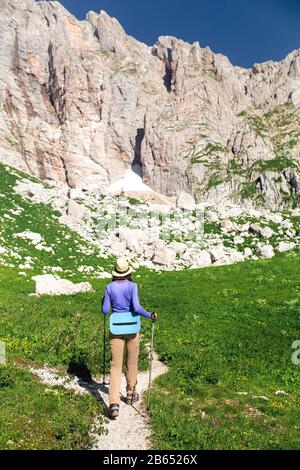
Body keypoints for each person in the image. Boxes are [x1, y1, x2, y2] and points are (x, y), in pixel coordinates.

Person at [101, 257, 157, 418]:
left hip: (116, 328)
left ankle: (113, 403)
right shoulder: (132, 286)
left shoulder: (108, 287)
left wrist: (103, 303)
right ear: (128, 272)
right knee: (132, 361)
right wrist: (150, 315)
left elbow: (105, 311)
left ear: (115, 272)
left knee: (115, 364)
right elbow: (137, 308)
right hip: (132, 327)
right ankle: (131, 394)